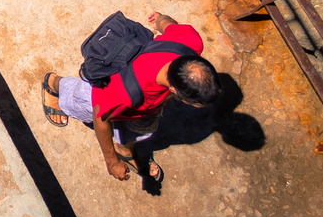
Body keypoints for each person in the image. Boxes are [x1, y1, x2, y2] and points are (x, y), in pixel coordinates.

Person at [40, 10, 220, 184]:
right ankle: (53, 85)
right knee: (78, 96)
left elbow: (168, 24)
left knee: (141, 126)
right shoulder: (126, 92)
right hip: (103, 93)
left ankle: (124, 148)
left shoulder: (191, 41)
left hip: (143, 108)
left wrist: (159, 19)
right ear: (173, 89)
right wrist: (111, 161)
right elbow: (100, 117)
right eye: (192, 102)